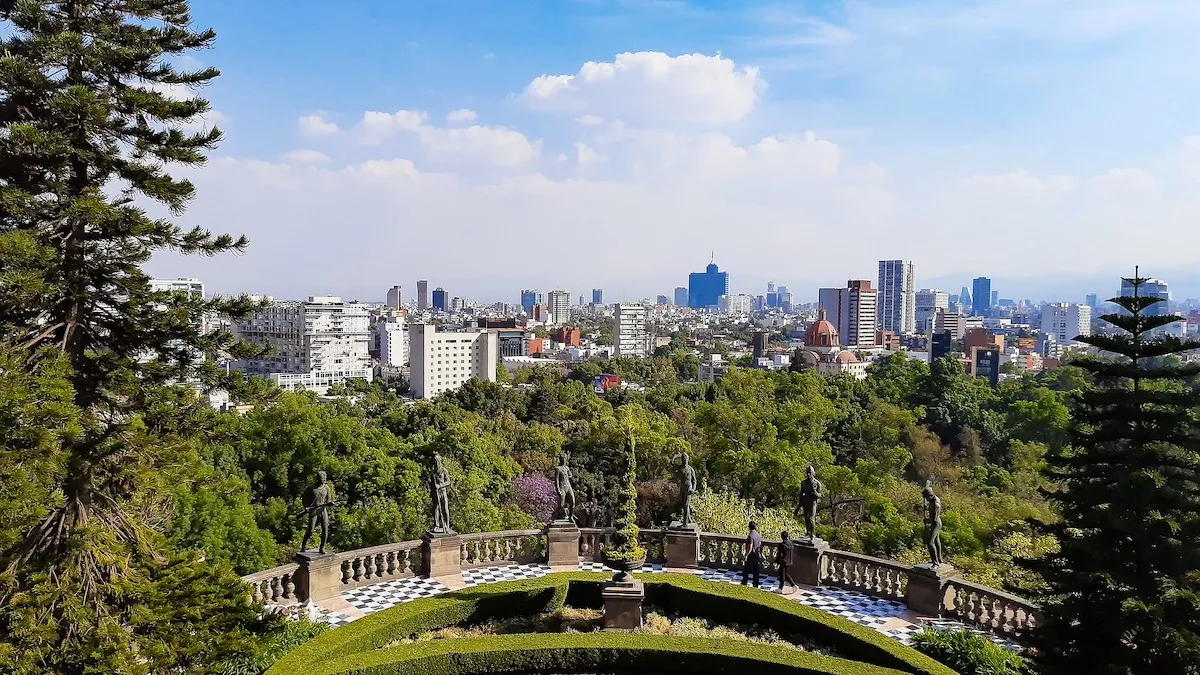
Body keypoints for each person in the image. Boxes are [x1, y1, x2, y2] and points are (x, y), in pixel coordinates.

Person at [300, 471, 334, 554]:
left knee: (325, 529)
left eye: (324, 479)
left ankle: (322, 547)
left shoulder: (326, 488)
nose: (322, 481)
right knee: (310, 530)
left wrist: (330, 503)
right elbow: (304, 499)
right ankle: (303, 545)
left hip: (322, 510)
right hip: (313, 510)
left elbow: (328, 499)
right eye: (321, 479)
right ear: (318, 479)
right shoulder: (311, 488)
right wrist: (306, 507)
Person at [742, 521, 762, 587]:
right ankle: (755, 584)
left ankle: (744, 582)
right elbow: (759, 546)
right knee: (756, 571)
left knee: (746, 570)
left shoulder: (751, 536)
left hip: (751, 555)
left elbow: (750, 547)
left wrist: (746, 555)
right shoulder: (758, 535)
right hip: (756, 555)